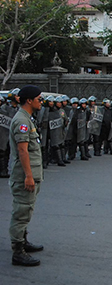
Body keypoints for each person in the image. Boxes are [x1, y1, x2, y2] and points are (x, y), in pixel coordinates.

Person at [8, 85, 45, 266]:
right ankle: (18, 251)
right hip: (24, 176)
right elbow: (23, 151)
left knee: (27, 209)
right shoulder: (22, 121)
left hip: (32, 173)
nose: (42, 102)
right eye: (39, 99)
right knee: (21, 211)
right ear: (29, 100)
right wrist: (28, 176)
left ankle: (23, 241)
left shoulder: (27, 119)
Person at [1, 88, 21, 178]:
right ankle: (2, 170)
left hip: (12, 133)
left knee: (9, 151)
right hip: (3, 132)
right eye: (17, 96)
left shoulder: (18, 108)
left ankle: (6, 169)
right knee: (2, 152)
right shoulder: (4, 108)